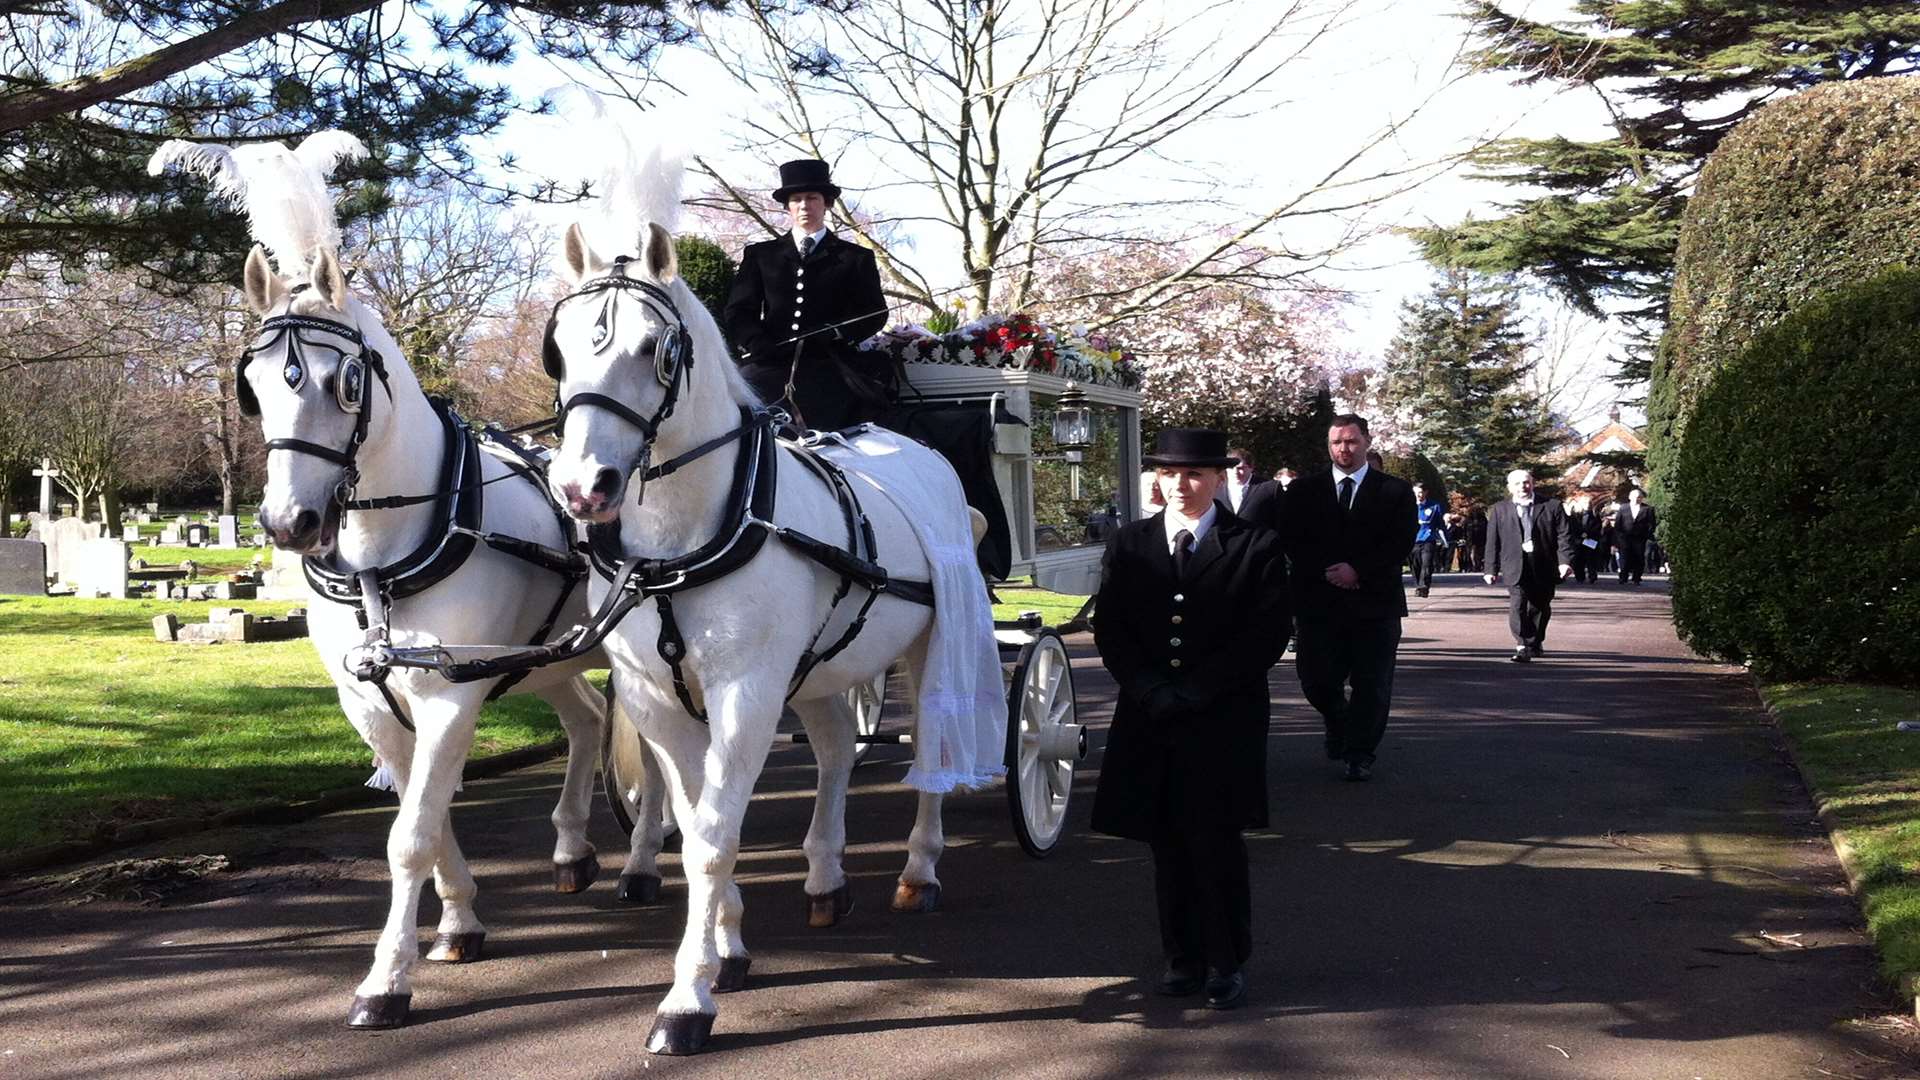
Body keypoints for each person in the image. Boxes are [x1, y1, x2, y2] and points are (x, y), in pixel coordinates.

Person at [1090, 427, 1289, 1011]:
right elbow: (1112, 627)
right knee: (1166, 840)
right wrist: (1150, 687)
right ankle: (1181, 957)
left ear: (1219, 478)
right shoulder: (1130, 544)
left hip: (1222, 717)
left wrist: (1200, 688)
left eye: (1196, 473)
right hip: (1151, 714)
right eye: (1170, 473)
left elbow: (1266, 633)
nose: (1181, 484)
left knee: (1216, 839)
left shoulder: (1257, 545)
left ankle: (1227, 960)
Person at [1280, 414, 1416, 781]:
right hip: (1319, 603)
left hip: (1375, 604)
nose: (1344, 448)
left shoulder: (1395, 491)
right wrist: (1330, 571)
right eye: (1337, 442)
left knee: (1372, 684)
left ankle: (1359, 754)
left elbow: (1400, 541)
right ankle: (1338, 720)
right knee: (1316, 680)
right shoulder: (1303, 491)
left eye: (1351, 441)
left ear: (1367, 442)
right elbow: (1293, 540)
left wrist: (1359, 571)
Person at [723, 159, 890, 433]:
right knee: (736, 404)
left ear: (826, 203)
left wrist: (836, 333)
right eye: (796, 199)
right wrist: (755, 339)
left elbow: (874, 312)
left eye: (812, 198)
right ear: (788, 206)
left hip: (831, 365)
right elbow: (738, 310)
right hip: (770, 362)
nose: (804, 206)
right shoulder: (761, 255)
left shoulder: (855, 257)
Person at [1483, 469, 1575, 662]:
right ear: (1509, 487)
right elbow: (1492, 541)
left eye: (1525, 482)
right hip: (1514, 564)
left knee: (1540, 605)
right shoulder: (1500, 509)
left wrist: (1564, 562)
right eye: (1517, 484)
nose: (1522, 487)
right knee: (1518, 603)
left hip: (1544, 563)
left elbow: (1564, 536)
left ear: (1532, 484)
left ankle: (1535, 641)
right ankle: (1522, 644)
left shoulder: (1552, 506)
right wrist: (1490, 569)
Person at [1613, 486, 1657, 584]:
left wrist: (1646, 534)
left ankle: (1636, 578)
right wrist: (1617, 539)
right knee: (1624, 558)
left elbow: (1651, 523)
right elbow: (1617, 524)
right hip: (1625, 538)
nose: (1638, 499)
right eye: (1636, 497)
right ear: (1630, 497)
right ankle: (1623, 577)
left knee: (1639, 558)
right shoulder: (1623, 508)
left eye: (1640, 497)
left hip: (1639, 539)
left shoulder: (1648, 509)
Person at [1409, 482, 1446, 598]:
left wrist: (1445, 538)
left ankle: (1423, 587)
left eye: (1420, 493)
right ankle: (1417, 585)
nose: (1418, 495)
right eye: (1415, 493)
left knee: (1427, 563)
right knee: (1415, 565)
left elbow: (1440, 523)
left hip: (1428, 539)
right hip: (1412, 540)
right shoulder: (1408, 506)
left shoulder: (1434, 506)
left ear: (1425, 492)